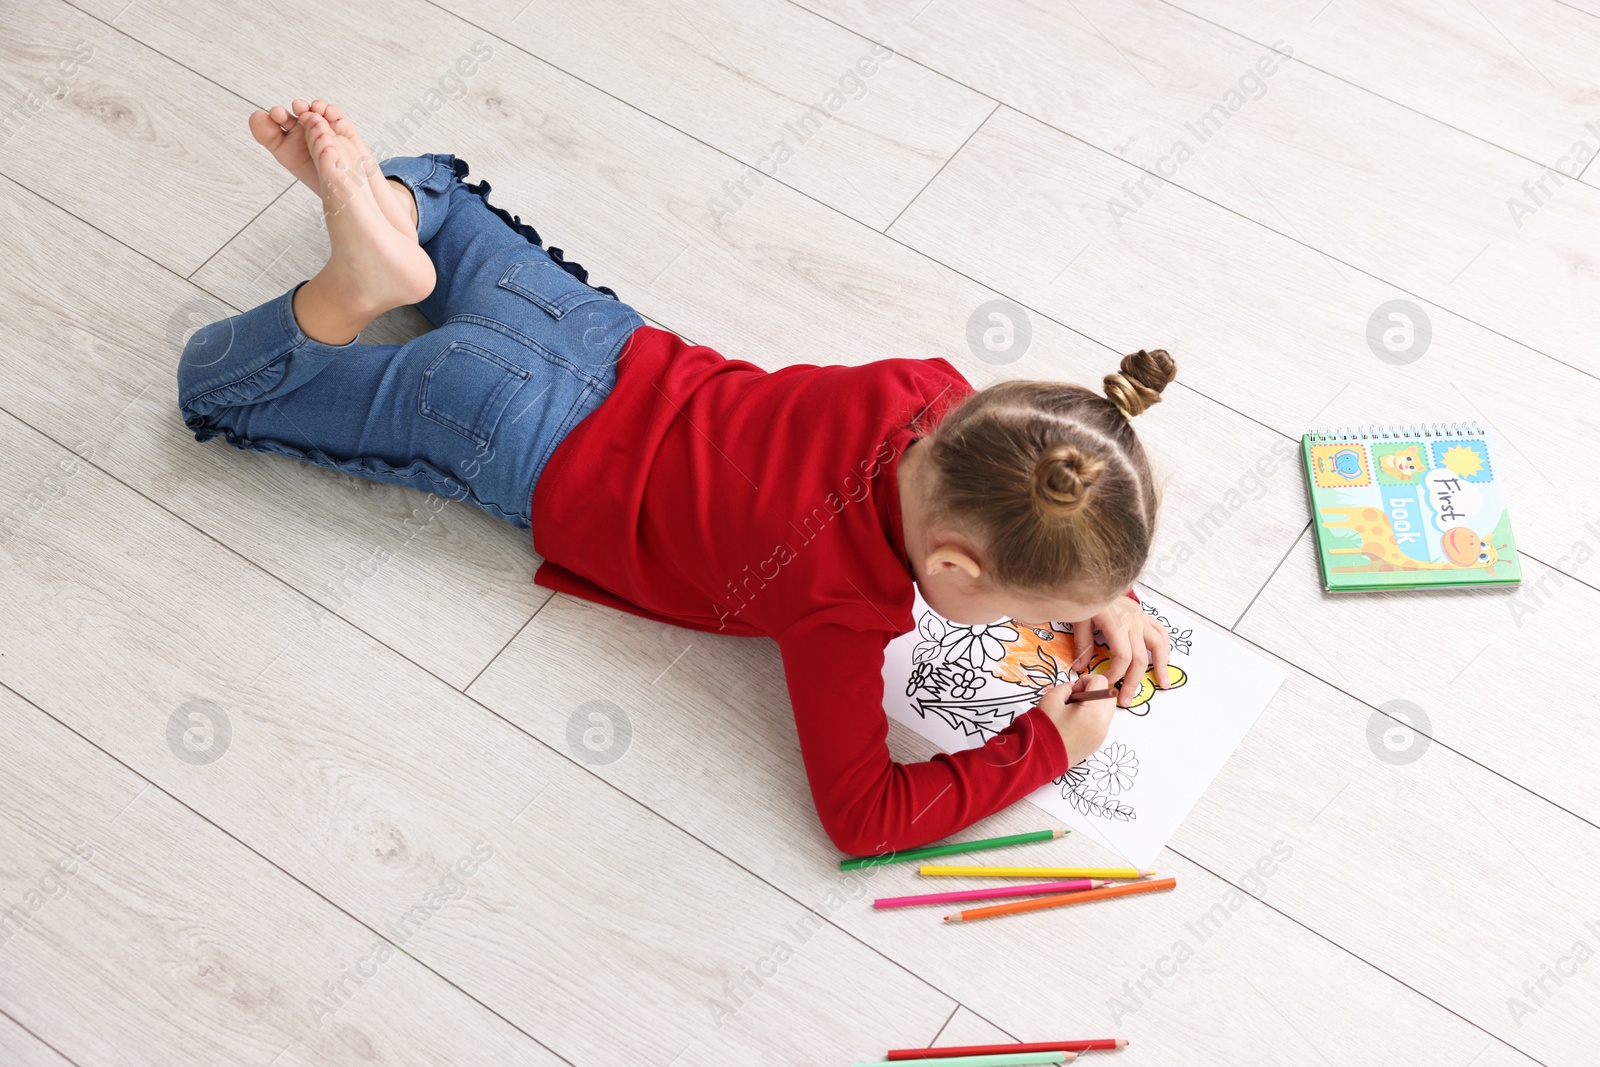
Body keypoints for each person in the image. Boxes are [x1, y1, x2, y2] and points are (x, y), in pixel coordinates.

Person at [178, 100, 1176, 856]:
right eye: (1020, 610)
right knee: (217, 389)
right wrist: (1046, 746)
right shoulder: (841, 607)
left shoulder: (929, 389)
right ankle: (342, 296)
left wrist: (1105, 590)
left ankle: (388, 218)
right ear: (951, 565)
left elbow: (1040, 460)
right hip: (496, 425)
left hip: (585, 330)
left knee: (436, 182)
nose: (1030, 630)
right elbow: (863, 816)